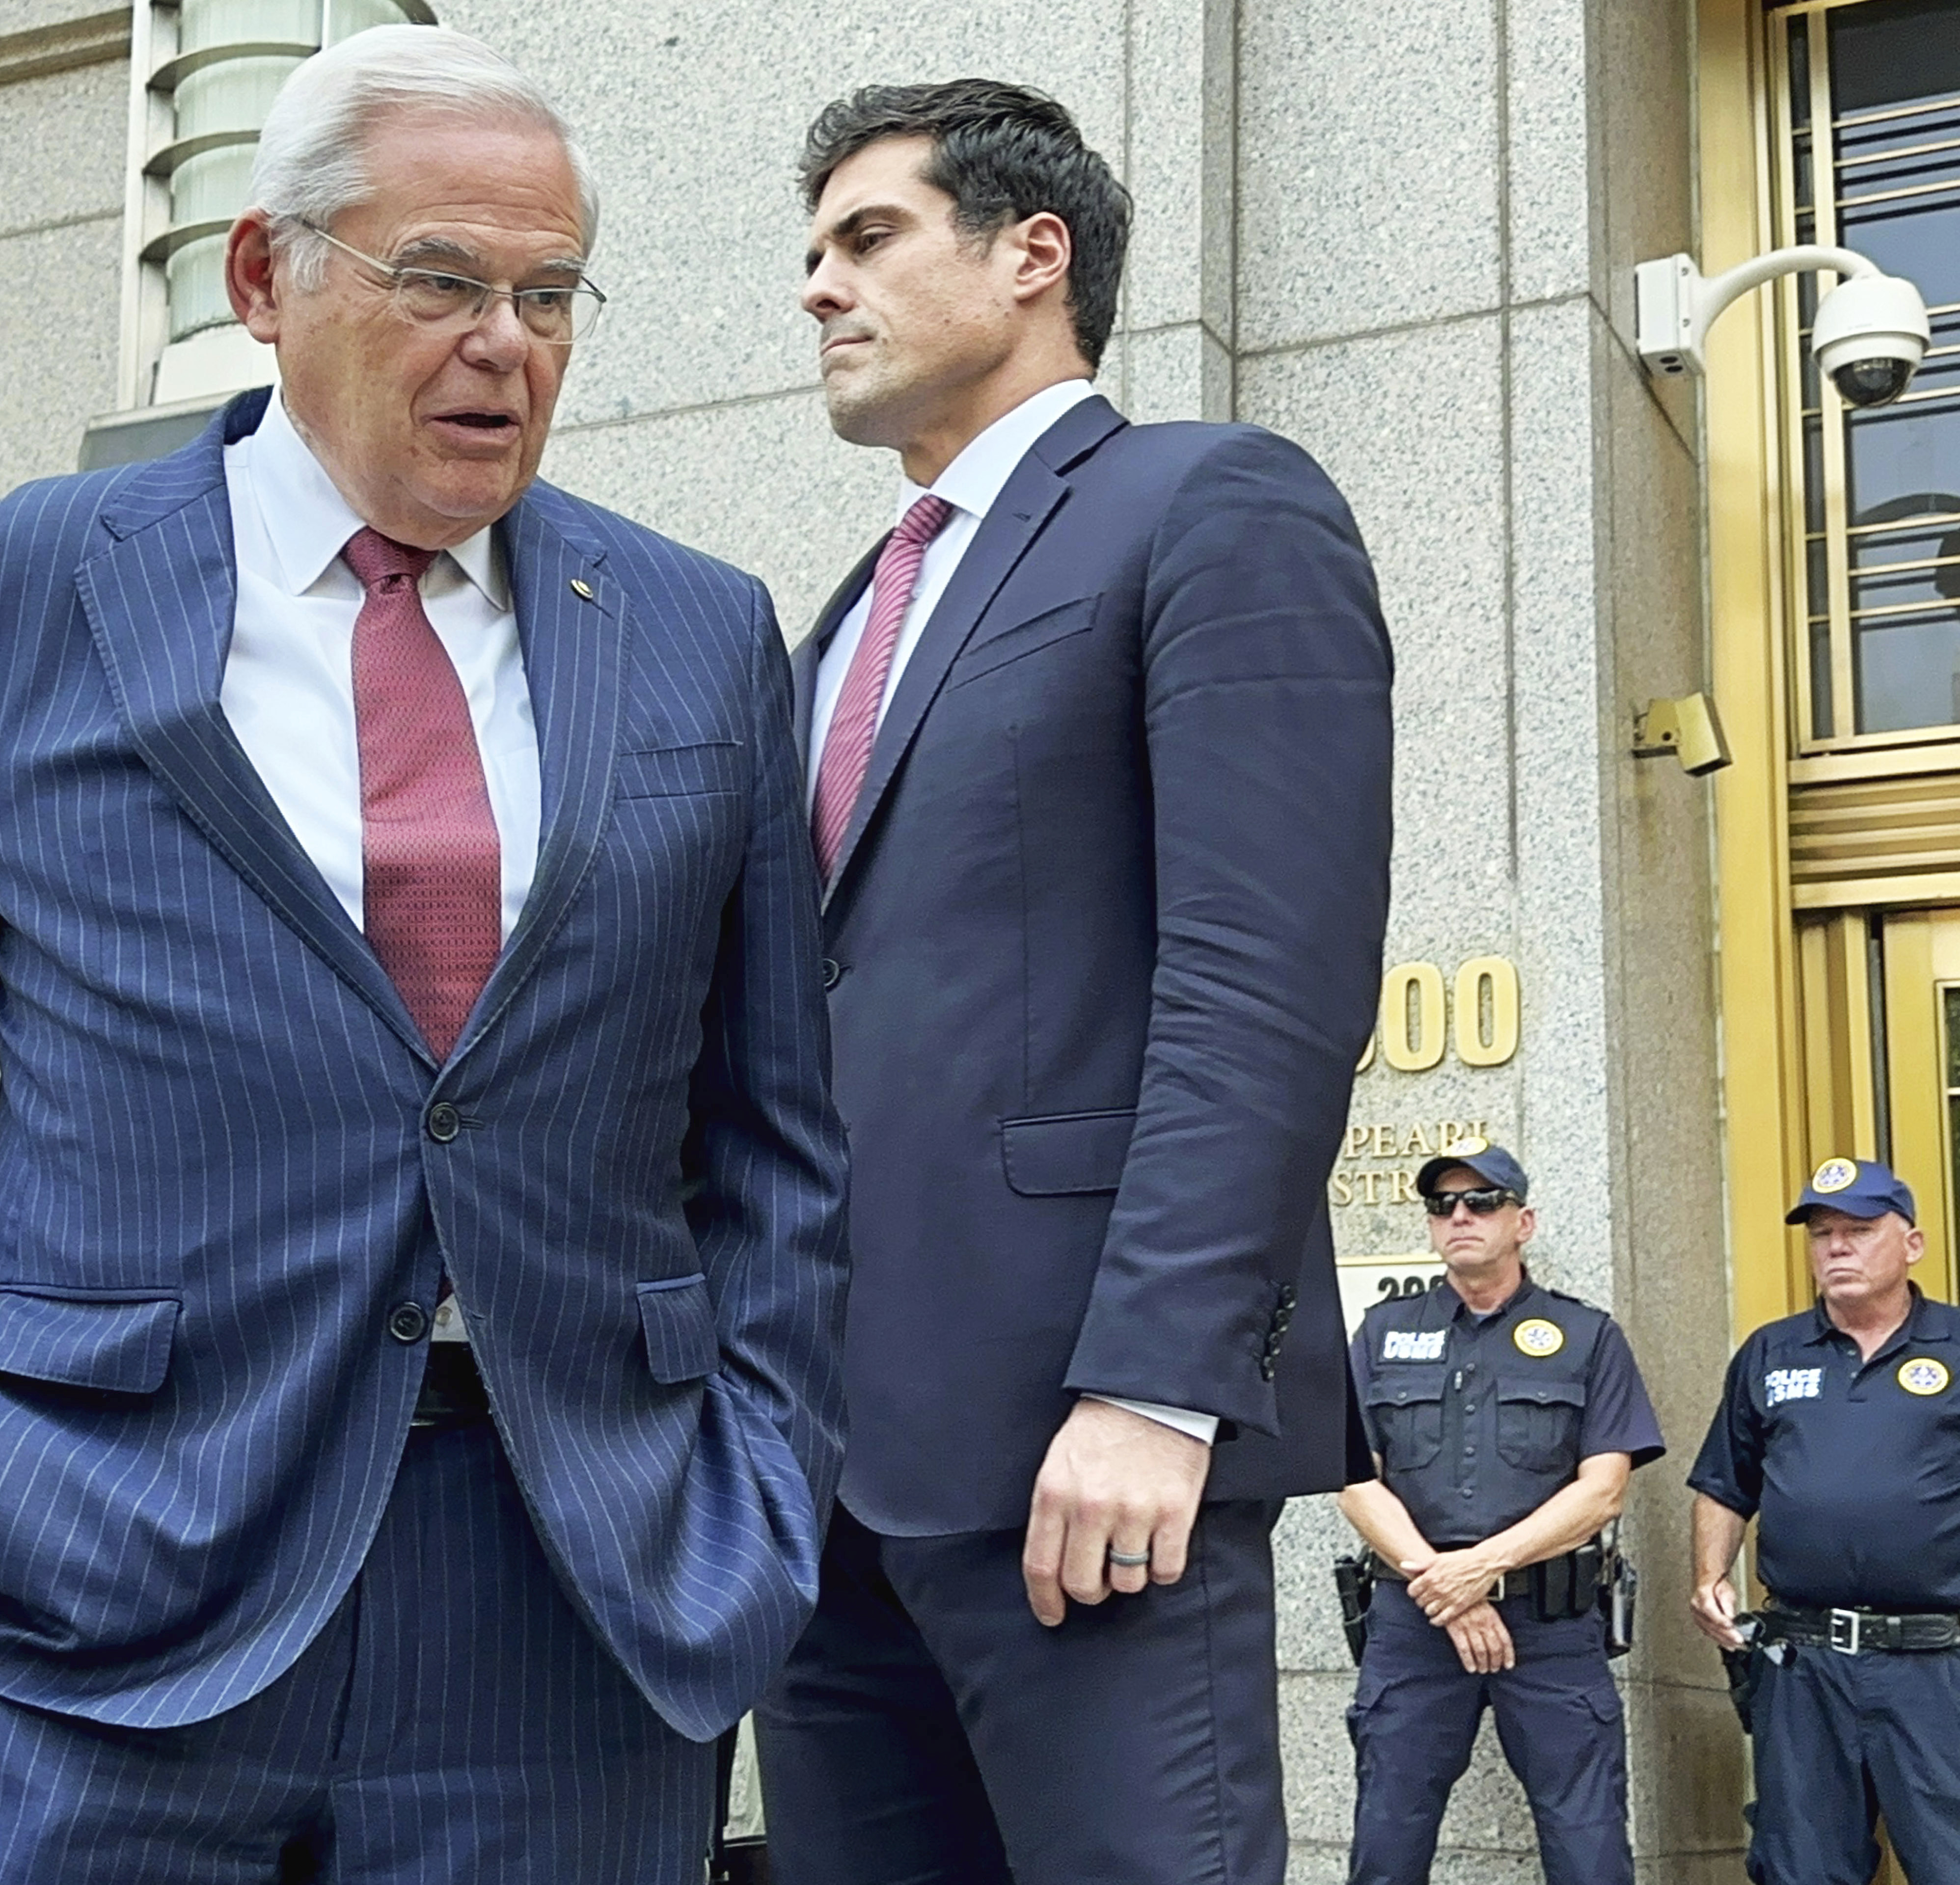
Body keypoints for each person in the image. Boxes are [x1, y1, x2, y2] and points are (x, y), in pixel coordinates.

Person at [0, 25, 847, 1885]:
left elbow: (775, 1126)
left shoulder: (696, 631)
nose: (508, 341)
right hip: (90, 1564)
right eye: (443, 281)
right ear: (265, 276)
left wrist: (762, 1473)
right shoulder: (21, 586)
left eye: (552, 293)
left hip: (568, 1590)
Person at [753, 78, 1393, 1885]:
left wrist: (1156, 1387)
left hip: (1085, 1464)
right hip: (823, 1482)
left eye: (867, 238)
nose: (818, 287)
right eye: (810, 253)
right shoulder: (840, 626)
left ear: (1035, 255)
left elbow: (1264, 980)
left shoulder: (1210, 504)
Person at [1338, 1140, 1664, 1885]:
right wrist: (1447, 1591)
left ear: (1524, 1221)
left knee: (1590, 1851)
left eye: (1482, 1201)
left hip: (1551, 1632)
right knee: (1386, 1848)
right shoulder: (1383, 1336)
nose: (1460, 1216)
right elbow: (1353, 1479)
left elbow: (1604, 1490)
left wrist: (1484, 1568)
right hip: (1414, 1627)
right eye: (1442, 1205)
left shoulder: (1588, 1338)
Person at [1688, 1156, 1960, 1885]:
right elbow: (1724, 1480)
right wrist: (1710, 1575)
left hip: (1937, 1664)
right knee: (1803, 1867)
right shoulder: (1771, 1353)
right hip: (1805, 1665)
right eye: (1822, 1233)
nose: (1837, 1247)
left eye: (1860, 1230)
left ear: (1913, 1244)